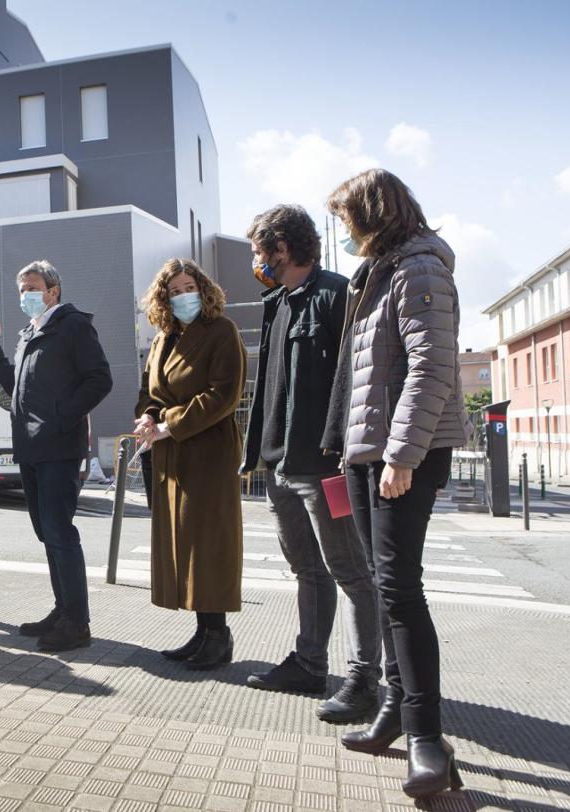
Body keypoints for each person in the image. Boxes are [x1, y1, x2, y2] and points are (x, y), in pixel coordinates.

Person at [322, 169, 468, 798]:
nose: (344, 230)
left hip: (403, 452)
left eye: (347, 217)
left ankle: (428, 740)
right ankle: (390, 712)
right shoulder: (376, 273)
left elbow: (432, 365)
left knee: (401, 589)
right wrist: (348, 448)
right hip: (367, 451)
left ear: (372, 212)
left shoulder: (418, 268)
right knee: (384, 588)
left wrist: (402, 455)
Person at [240, 205, 383, 723]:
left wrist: (348, 455)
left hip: (325, 467)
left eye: (260, 250)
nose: (257, 260)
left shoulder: (337, 295)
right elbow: (269, 391)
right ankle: (309, 665)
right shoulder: (276, 302)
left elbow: (357, 382)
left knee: (351, 572)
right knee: (307, 569)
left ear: (282, 247)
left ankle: (365, 681)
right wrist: (256, 453)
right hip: (279, 466)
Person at [0, 260, 112, 653]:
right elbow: (13, 387)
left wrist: (60, 417)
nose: (25, 296)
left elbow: (100, 379)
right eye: (21, 289)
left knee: (59, 532)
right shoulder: (28, 334)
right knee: (46, 533)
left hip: (58, 448)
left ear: (53, 290)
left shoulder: (73, 326)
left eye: (32, 287)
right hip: (32, 450)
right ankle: (62, 610)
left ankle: (77, 623)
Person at [134, 258, 246, 670]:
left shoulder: (222, 331)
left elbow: (223, 395)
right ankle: (203, 632)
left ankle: (218, 635)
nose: (183, 296)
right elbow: (150, 389)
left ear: (204, 288)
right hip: (172, 452)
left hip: (208, 450)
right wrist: (148, 415)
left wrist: (169, 425)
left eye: (188, 287)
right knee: (184, 542)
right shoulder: (165, 338)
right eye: (175, 291)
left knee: (208, 543)